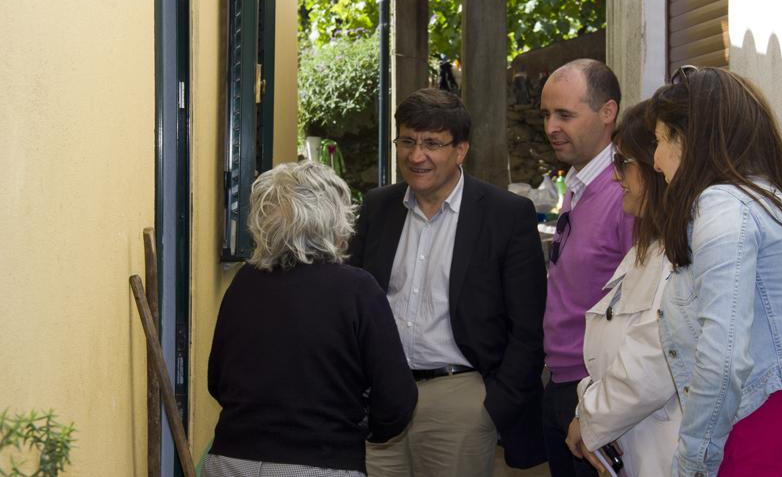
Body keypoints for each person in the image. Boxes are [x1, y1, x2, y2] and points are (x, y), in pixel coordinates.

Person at [648, 66, 782, 477]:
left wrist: (692, 464)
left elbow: (722, 356)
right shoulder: (768, 198)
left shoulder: (723, 207)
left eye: (658, 141)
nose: (654, 161)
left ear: (686, 140)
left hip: (759, 447)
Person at [348, 88, 547, 477]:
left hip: (460, 399)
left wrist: (492, 405)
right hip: (381, 399)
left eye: (432, 144)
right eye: (407, 140)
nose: (416, 155)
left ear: (460, 150)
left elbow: (528, 328)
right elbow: (354, 305)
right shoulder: (377, 207)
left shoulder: (506, 216)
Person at [204, 161, 417, 477]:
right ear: (334, 220)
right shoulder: (357, 289)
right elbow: (397, 400)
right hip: (320, 460)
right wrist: (359, 429)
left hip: (233, 459)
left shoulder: (245, 282)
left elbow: (217, 380)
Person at [564, 99, 682, 477]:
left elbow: (654, 359)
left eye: (623, 163)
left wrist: (590, 419)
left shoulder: (684, 256)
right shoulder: (644, 251)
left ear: (657, 165)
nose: (617, 178)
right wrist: (589, 412)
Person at [539, 59, 635, 477]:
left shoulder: (626, 193)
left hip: (599, 392)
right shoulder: (579, 186)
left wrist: (604, 404)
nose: (551, 127)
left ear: (607, 112)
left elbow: (645, 312)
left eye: (565, 114)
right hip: (563, 385)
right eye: (546, 115)